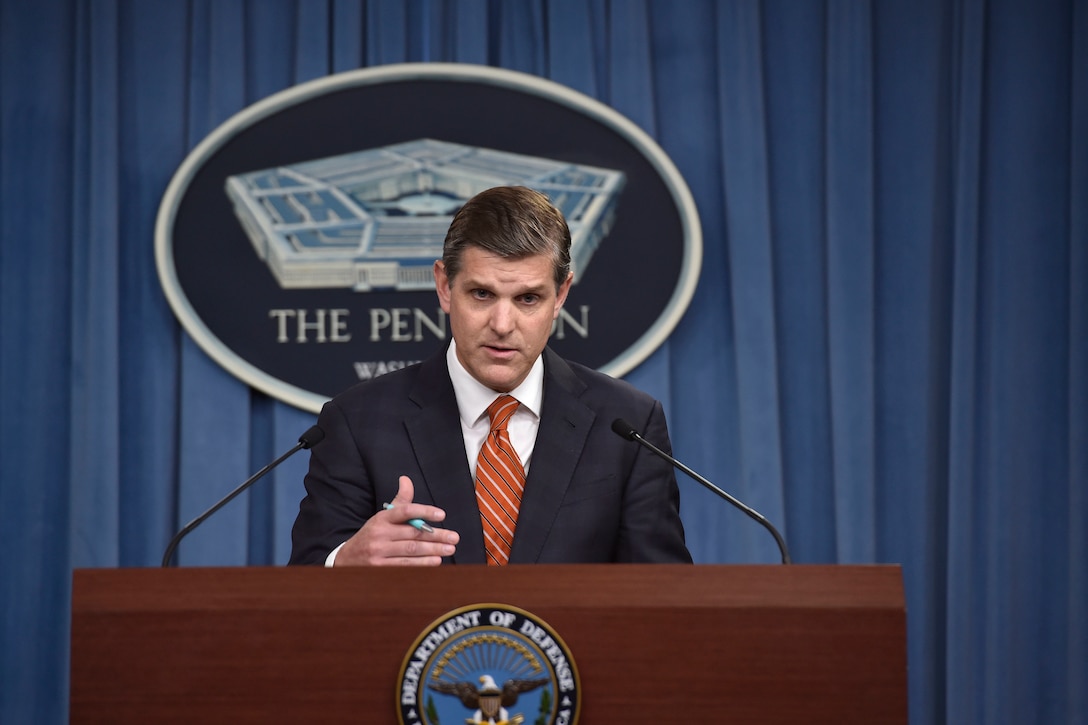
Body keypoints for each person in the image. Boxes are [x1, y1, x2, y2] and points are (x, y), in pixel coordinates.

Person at [289, 185, 691, 566]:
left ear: (561, 296)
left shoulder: (626, 426)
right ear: (445, 286)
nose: (502, 323)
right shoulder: (358, 422)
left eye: (527, 299)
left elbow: (665, 598)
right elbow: (302, 587)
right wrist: (344, 562)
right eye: (482, 294)